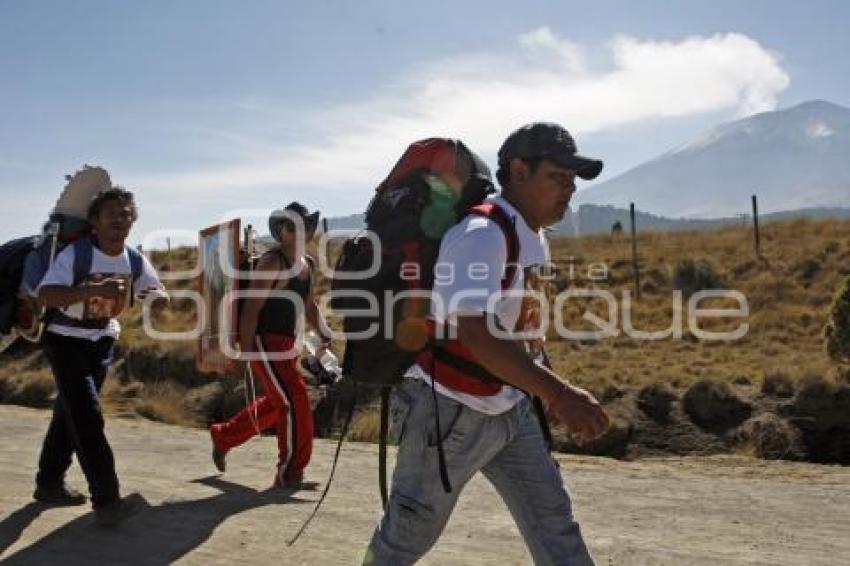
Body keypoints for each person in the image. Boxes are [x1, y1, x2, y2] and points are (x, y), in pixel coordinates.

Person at [364, 123, 611, 565]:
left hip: (510, 408)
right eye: (558, 177)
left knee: (556, 526)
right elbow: (476, 332)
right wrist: (558, 393)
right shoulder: (481, 234)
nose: (569, 190)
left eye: (573, 181)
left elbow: (521, 329)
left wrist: (544, 390)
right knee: (404, 540)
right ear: (518, 171)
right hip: (448, 412)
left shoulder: (532, 235)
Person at [34, 187, 168, 526]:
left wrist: (157, 298)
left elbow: (152, 289)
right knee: (88, 416)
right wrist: (92, 290)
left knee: (71, 412)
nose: (120, 220)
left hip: (101, 341)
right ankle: (107, 501)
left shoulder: (134, 258)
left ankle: (48, 484)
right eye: (112, 214)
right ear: (95, 222)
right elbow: (47, 294)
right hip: (64, 340)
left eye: (125, 214)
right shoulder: (76, 254)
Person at [209, 202, 334, 488]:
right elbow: (252, 310)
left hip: (289, 343)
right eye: (295, 226)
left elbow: (308, 303)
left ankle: (224, 435)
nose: (304, 231)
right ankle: (290, 474)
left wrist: (324, 331)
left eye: (307, 225)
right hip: (265, 343)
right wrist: (244, 352)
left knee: (281, 401)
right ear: (282, 231)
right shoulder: (272, 262)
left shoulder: (308, 264)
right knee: (294, 401)